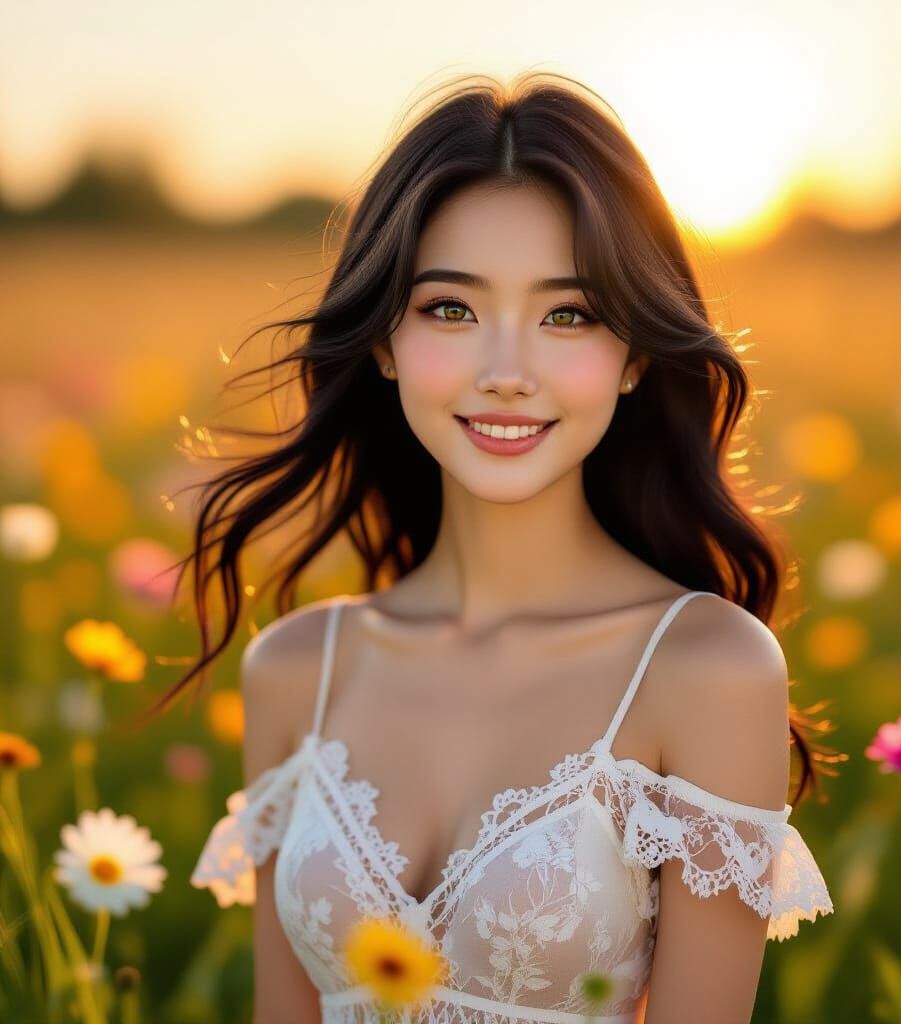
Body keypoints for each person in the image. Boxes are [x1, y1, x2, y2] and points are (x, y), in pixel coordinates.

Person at [169, 71, 835, 1024]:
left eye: (569, 314)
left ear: (636, 353)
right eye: (452, 308)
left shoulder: (706, 667)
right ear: (386, 338)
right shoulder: (295, 671)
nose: (508, 372)